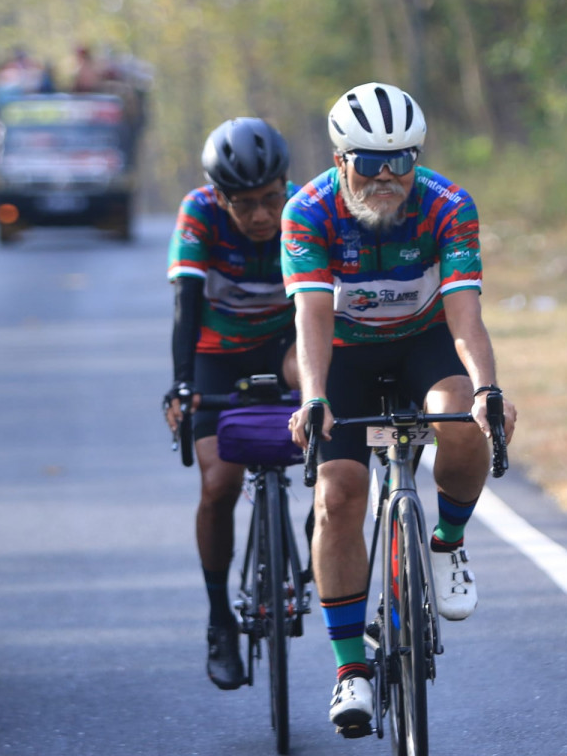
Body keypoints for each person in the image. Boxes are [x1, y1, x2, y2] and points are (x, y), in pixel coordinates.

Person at [281, 82, 518, 739]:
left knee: (462, 419)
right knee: (338, 494)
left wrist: (488, 389)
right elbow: (312, 316)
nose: (386, 176)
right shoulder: (307, 212)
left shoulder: (449, 204)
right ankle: (350, 669)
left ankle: (447, 543)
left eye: (402, 160)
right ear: (340, 160)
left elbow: (465, 315)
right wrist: (314, 397)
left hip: (423, 341)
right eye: (370, 162)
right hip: (345, 354)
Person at [164, 117, 299, 690]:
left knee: (330, 419)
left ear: (285, 186)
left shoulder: (305, 208)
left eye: (270, 199)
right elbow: (185, 302)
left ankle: (321, 527)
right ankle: (220, 618)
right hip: (217, 354)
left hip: (285, 344)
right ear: (219, 197)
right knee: (219, 484)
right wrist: (182, 384)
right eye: (245, 205)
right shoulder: (198, 212)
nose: (262, 216)